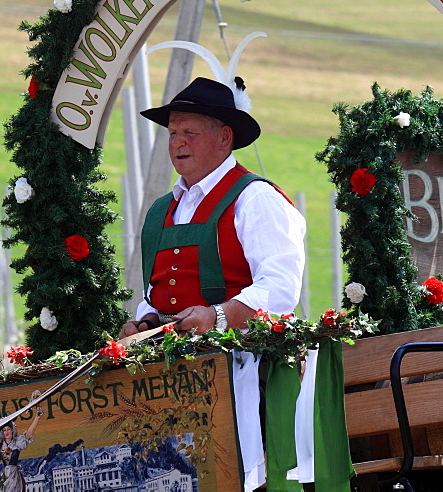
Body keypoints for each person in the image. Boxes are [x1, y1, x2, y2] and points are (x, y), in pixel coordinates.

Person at [118, 76, 306, 491]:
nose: (177, 143)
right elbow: (157, 292)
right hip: (170, 377)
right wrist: (144, 321)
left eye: (189, 132)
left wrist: (218, 316)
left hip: (241, 370)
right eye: (172, 133)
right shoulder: (161, 209)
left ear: (224, 138)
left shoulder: (254, 197)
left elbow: (280, 285)